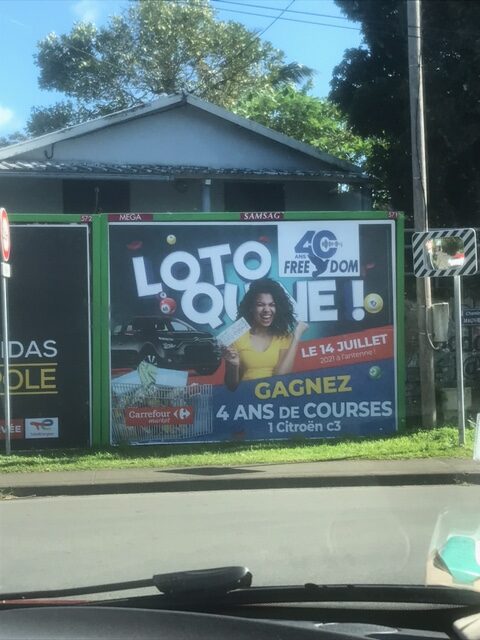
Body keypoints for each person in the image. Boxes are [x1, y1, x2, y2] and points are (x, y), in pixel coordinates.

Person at [223, 278, 308, 391]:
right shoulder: (236, 337)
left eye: (272, 305)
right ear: (251, 307)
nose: (267, 310)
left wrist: (296, 337)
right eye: (260, 304)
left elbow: (281, 379)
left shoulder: (283, 337)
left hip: (275, 397)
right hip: (246, 397)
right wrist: (234, 365)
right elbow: (231, 386)